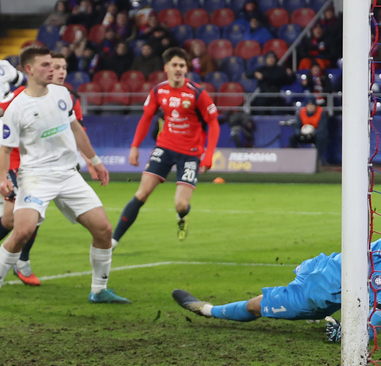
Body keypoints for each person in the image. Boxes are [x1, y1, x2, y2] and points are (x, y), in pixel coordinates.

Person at [172, 150, 381, 341]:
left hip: (313, 298)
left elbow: (376, 321)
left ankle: (207, 310)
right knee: (300, 275)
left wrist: (348, 334)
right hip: (320, 265)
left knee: (257, 305)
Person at [0, 46, 129, 303]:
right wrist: (2, 177)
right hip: (35, 177)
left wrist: (95, 161)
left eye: (55, 65)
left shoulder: (62, 94)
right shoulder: (16, 108)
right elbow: (5, 148)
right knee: (22, 231)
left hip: (69, 175)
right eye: (46, 65)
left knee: (104, 230)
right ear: (29, 69)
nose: (53, 69)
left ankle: (99, 290)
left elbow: (76, 129)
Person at [0, 51, 93, 286]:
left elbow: (76, 130)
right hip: (18, 162)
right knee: (13, 220)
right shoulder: (21, 97)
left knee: (26, 218)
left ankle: (22, 262)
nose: (58, 72)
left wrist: (91, 160)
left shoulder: (67, 97)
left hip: (47, 168)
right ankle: (21, 262)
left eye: (62, 68)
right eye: (53, 67)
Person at [111, 47, 220, 248]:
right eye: (174, 65)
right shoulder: (158, 91)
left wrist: (208, 156)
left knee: (181, 204)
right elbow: (146, 118)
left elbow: (214, 123)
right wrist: (135, 146)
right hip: (165, 148)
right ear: (166, 68)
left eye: (182, 65)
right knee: (141, 194)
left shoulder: (197, 93)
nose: (178, 69)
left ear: (186, 69)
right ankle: (113, 240)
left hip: (190, 154)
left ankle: (182, 216)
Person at [289, 98, 329, 166]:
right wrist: (300, 132)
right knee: (292, 138)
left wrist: (312, 132)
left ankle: (317, 160)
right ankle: (296, 158)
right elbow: (297, 125)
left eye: (312, 105)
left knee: (321, 138)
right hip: (304, 134)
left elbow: (322, 127)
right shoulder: (302, 112)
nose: (310, 107)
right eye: (309, 105)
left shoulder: (321, 112)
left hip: (316, 134)